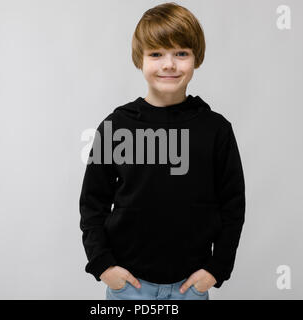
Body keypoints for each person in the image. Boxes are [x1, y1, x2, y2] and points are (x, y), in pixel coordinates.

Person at [79, 2, 245, 300]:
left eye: (181, 53)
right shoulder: (116, 127)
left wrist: (216, 268)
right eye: (156, 54)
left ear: (197, 58)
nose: (169, 64)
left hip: (190, 286)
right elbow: (93, 203)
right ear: (139, 60)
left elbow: (233, 206)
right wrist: (103, 266)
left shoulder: (216, 130)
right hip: (130, 286)